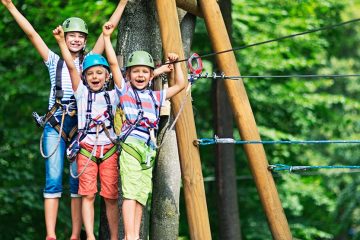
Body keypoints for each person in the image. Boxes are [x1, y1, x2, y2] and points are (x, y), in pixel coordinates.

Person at [1, 1, 128, 239]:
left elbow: (107, 30)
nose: (76, 39)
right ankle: (50, 234)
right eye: (72, 35)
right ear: (65, 37)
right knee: (53, 177)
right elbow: (32, 34)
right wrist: (10, 7)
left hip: (82, 127)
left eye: (81, 36)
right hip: (56, 123)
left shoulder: (91, 62)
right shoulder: (54, 61)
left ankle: (74, 234)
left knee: (78, 182)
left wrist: (122, 3)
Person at [108, 34, 186, 240]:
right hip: (131, 146)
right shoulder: (124, 92)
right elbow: (114, 65)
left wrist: (176, 64)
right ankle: (131, 235)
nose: (140, 75)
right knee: (130, 192)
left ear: (151, 75)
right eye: (136, 72)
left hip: (148, 149)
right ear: (129, 75)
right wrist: (107, 38)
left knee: (141, 194)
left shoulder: (155, 96)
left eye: (144, 72)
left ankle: (132, 236)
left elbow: (180, 85)